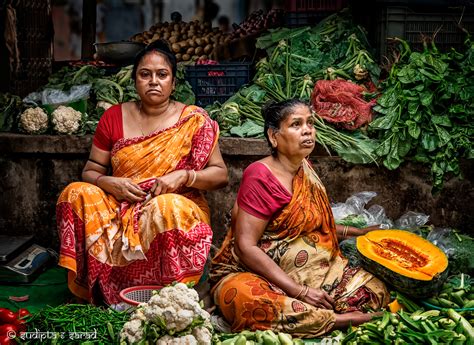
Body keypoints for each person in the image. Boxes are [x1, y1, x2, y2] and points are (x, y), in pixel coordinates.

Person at [56, 39, 228, 305]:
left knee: (166, 206)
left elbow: (220, 175)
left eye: (162, 75)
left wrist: (184, 176)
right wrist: (108, 182)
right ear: (134, 79)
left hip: (174, 207)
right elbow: (90, 170)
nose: (153, 81)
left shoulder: (193, 120)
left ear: (173, 81)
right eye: (144, 74)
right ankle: (100, 290)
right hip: (120, 203)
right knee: (75, 193)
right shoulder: (113, 117)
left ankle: (173, 297)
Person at [209, 99, 389, 337]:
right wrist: (299, 291)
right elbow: (245, 247)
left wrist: (359, 233)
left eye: (310, 123)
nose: (307, 130)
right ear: (274, 137)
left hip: (315, 273)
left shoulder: (305, 168)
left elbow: (317, 223)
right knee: (249, 301)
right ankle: (338, 320)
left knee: (374, 290)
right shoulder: (261, 176)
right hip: (259, 274)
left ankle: (321, 314)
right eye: (296, 124)